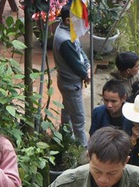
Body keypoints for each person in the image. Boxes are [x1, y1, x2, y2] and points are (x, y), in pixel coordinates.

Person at [53, 5, 91, 147]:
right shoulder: (65, 40)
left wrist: (86, 65)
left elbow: (80, 51)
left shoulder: (68, 30)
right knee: (79, 119)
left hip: (68, 81)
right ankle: (83, 149)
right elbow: (75, 64)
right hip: (70, 83)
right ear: (68, 20)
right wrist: (85, 74)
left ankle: (66, 137)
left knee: (68, 110)